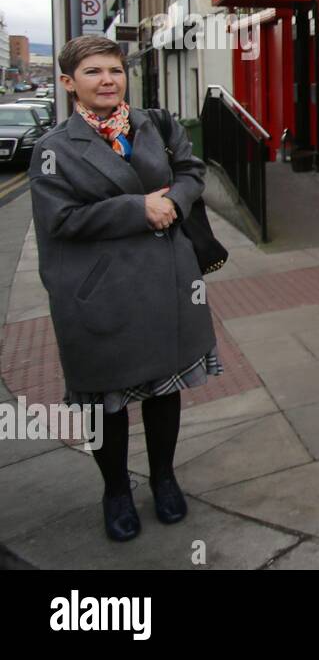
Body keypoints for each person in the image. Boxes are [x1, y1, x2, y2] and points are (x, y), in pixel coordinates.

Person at [29, 35, 219, 542]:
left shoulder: (155, 123)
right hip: (100, 294)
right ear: (70, 83)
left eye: (114, 69)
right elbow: (60, 219)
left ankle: (163, 478)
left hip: (168, 282)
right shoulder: (52, 150)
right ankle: (115, 489)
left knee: (164, 391)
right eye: (93, 72)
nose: (108, 80)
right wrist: (139, 208)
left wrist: (174, 200)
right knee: (106, 403)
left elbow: (191, 170)